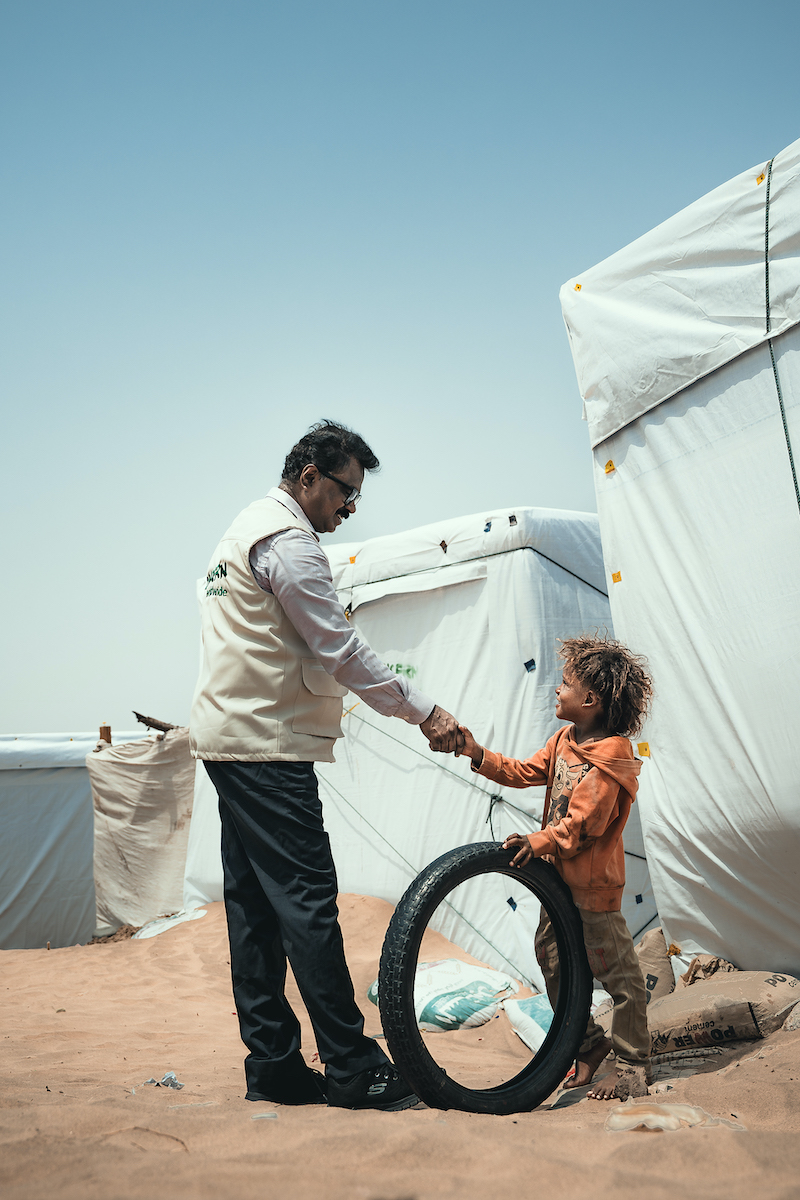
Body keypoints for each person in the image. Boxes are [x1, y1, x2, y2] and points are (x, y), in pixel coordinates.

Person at [190, 420, 463, 1111]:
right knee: (308, 905)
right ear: (308, 475)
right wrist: (424, 711)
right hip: (268, 747)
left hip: (232, 742)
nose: (349, 506)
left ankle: (275, 1068)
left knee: (253, 912)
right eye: (345, 491)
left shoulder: (242, 531)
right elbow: (341, 649)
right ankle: (351, 1065)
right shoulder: (289, 544)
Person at [456, 634, 654, 1101]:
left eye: (564, 684)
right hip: (558, 886)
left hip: (593, 893)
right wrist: (477, 753)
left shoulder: (609, 764)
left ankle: (632, 1064)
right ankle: (588, 1045)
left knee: (619, 977)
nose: (556, 690)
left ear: (589, 700)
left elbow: (581, 827)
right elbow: (525, 772)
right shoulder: (566, 740)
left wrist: (536, 841)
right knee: (552, 962)